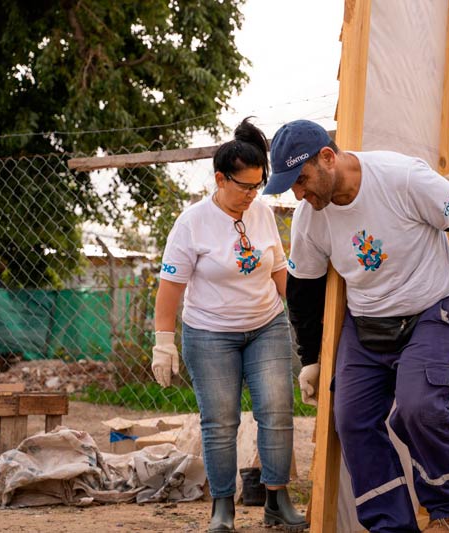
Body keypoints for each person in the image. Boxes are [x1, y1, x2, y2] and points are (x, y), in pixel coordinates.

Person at [262, 119, 449, 533]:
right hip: (367, 322)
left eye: (301, 180)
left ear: (328, 158)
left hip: (431, 308)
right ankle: (392, 526)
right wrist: (311, 359)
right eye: (290, 187)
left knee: (418, 408)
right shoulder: (310, 219)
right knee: (350, 419)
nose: (298, 193)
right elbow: (303, 293)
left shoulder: (403, 178)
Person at [151, 118, 307, 532]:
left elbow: (279, 273)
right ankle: (223, 507)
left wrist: (305, 329)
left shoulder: (262, 215)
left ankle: (277, 499)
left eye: (258, 186)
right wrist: (162, 343)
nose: (252, 195)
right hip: (209, 333)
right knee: (220, 420)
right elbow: (170, 289)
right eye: (245, 186)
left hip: (266, 325)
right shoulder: (192, 222)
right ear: (220, 179)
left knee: (276, 409)